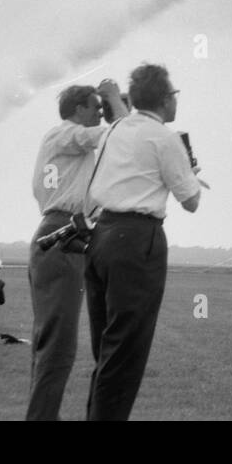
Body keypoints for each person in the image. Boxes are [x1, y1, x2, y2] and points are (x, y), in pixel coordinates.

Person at [84, 64, 202, 421]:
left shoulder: (117, 128)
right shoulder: (165, 138)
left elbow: (125, 123)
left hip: (101, 235)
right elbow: (191, 201)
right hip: (138, 241)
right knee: (126, 354)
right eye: (174, 95)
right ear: (166, 100)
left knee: (107, 349)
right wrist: (189, 173)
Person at [26, 79, 127, 422]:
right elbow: (121, 136)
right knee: (59, 346)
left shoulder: (72, 144)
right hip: (62, 234)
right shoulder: (65, 134)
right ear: (78, 109)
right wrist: (117, 101)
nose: (100, 113)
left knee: (52, 343)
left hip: (69, 235)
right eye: (95, 107)